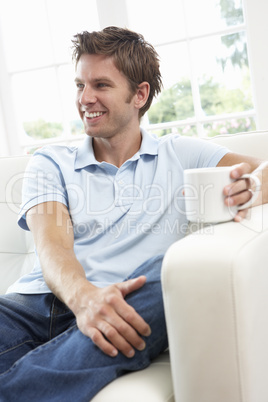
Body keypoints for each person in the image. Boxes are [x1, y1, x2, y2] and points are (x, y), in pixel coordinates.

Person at [0, 26, 267, 401]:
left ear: (139, 94)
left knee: (173, 272)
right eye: (80, 85)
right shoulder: (50, 161)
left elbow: (265, 169)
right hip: (37, 305)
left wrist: (255, 186)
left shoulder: (182, 153)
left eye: (101, 85)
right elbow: (53, 247)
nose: (85, 98)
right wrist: (87, 301)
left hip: (129, 303)